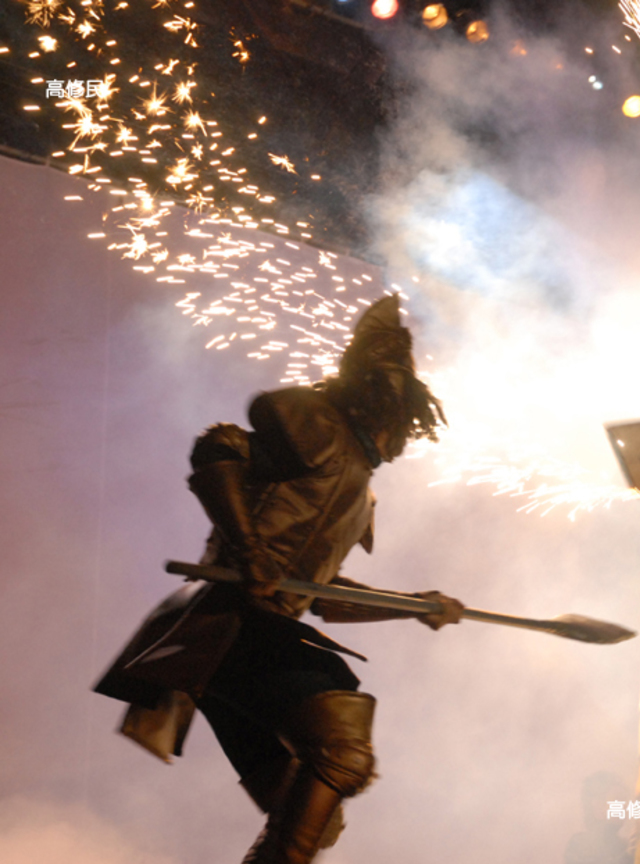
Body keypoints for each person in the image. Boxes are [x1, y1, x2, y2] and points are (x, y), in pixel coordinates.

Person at [95, 296, 465, 864]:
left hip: (248, 636)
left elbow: (324, 595)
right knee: (342, 751)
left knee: (314, 812)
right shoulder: (317, 426)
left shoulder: (360, 494)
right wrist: (250, 551)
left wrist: (415, 605)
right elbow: (219, 447)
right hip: (233, 624)